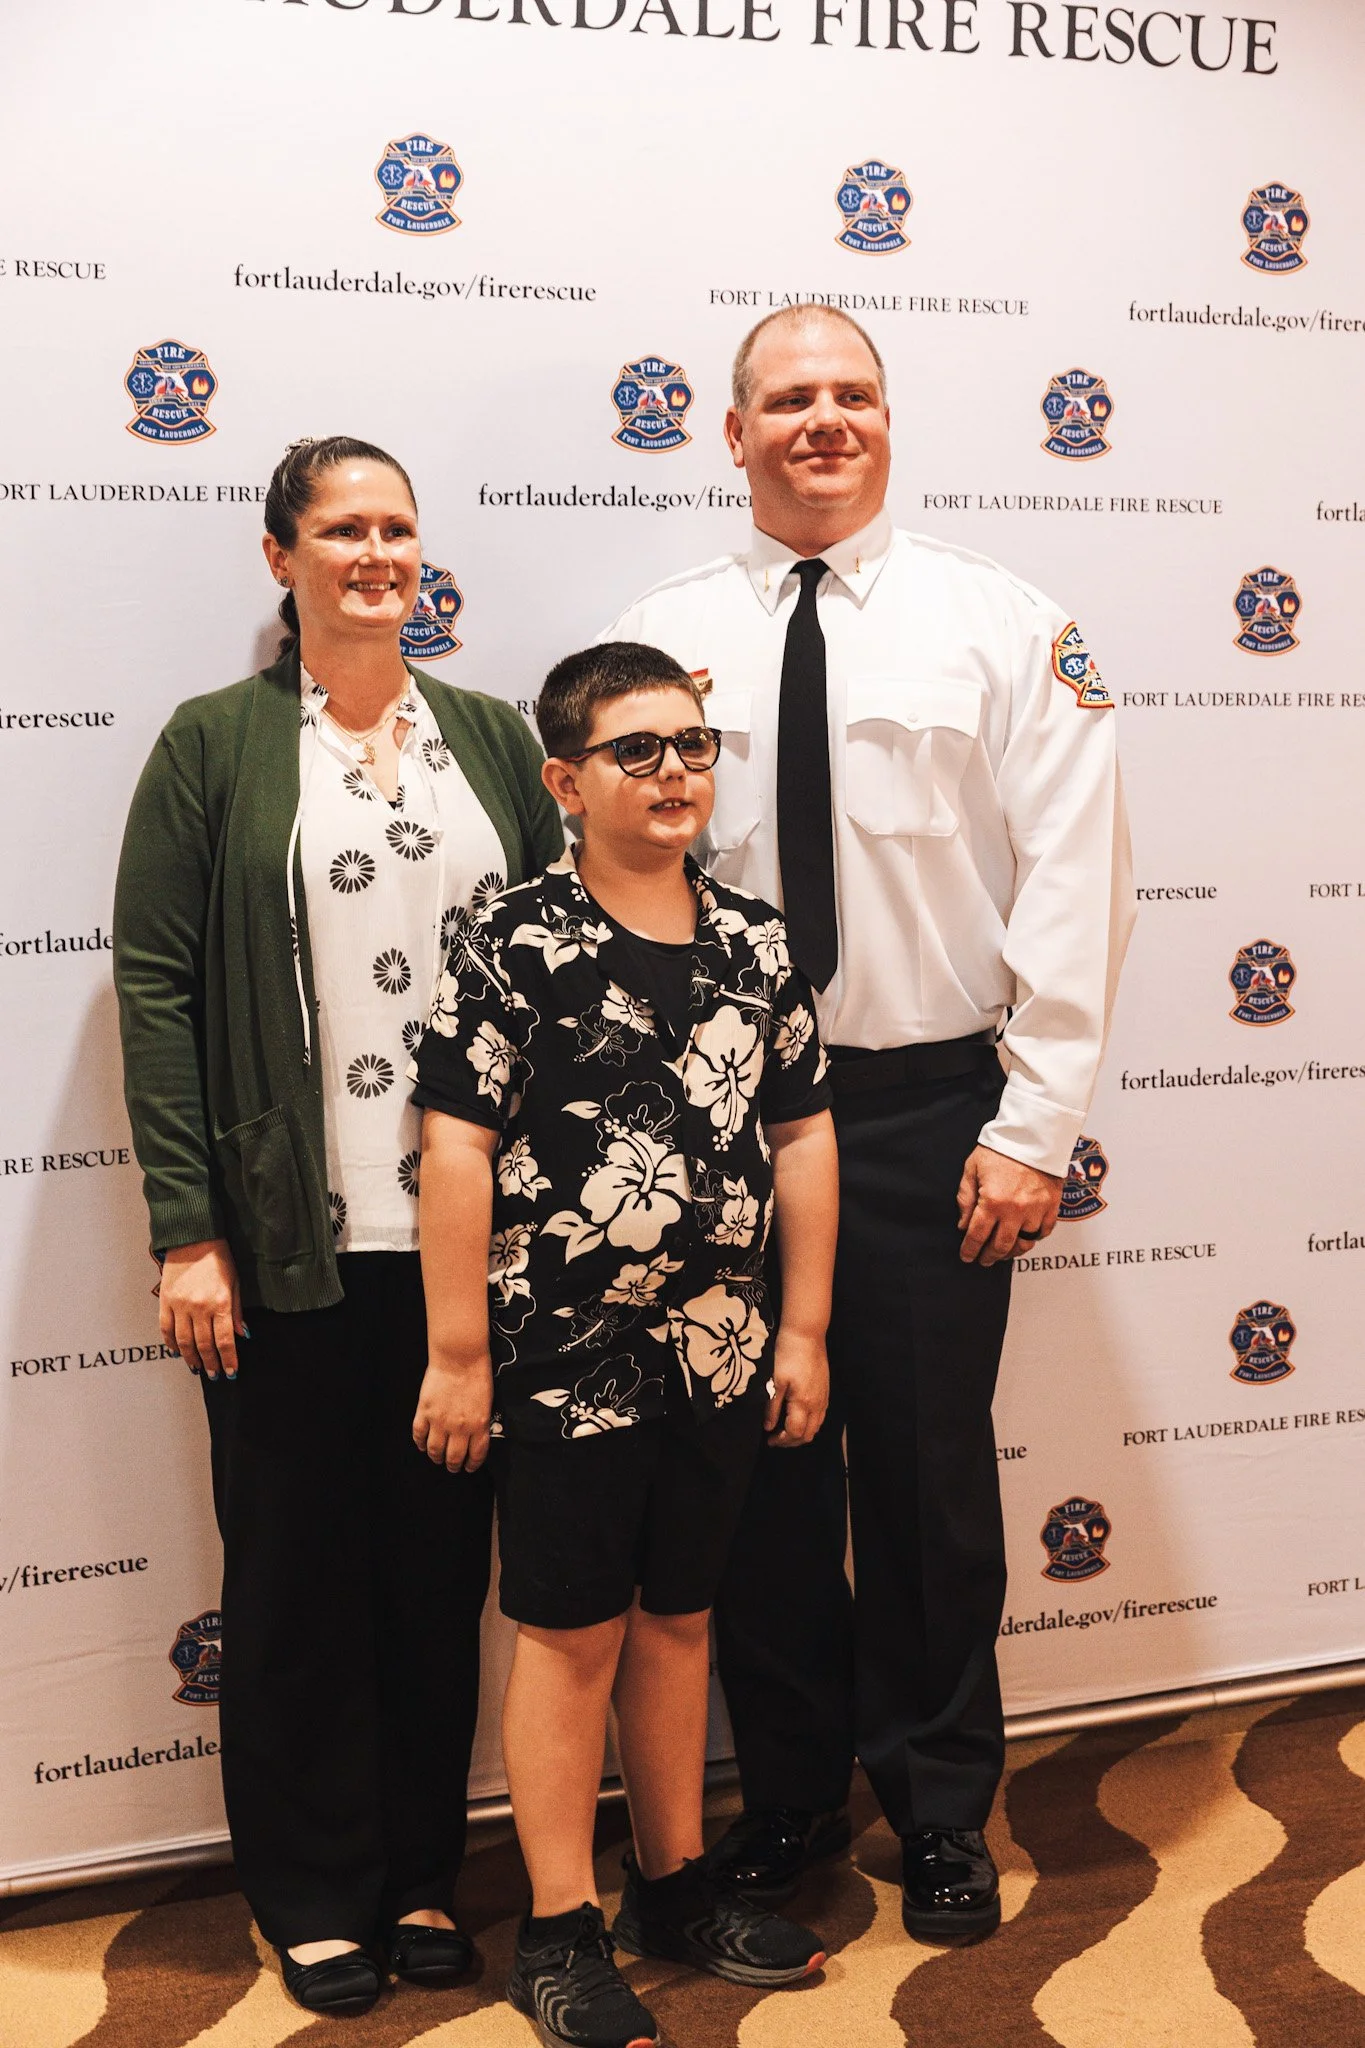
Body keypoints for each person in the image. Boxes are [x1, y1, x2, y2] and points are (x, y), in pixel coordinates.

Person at [599, 308, 1135, 1942]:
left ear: (887, 420)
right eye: (788, 401)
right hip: (724, 1124)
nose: (823, 423)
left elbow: (1076, 878)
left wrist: (1034, 1124)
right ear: (733, 431)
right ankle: (787, 1802)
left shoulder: (1001, 621)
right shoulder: (662, 633)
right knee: (756, 1482)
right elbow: (626, 876)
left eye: (851, 396)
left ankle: (941, 1805)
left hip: (923, 1111)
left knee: (921, 1480)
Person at [113, 436, 563, 2017]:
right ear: (280, 556)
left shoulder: (499, 743)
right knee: (300, 1576)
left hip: (475, 1250)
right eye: (344, 527)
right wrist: (188, 1228)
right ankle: (311, 1891)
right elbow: (158, 991)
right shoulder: (218, 746)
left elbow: (559, 971)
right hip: (292, 1245)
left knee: (441, 1574)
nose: (378, 551)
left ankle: (425, 1874)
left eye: (399, 526)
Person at [410, 641, 837, 2048]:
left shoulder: (756, 941)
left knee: (679, 1621)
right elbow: (458, 1149)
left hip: (720, 1345)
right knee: (573, 1632)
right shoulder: (510, 935)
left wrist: (805, 1327)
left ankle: (676, 1886)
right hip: (561, 1349)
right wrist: (459, 1354)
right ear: (566, 780)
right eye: (636, 749)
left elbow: (803, 1132)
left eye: (694, 745)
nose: (673, 772)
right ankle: (557, 1921)